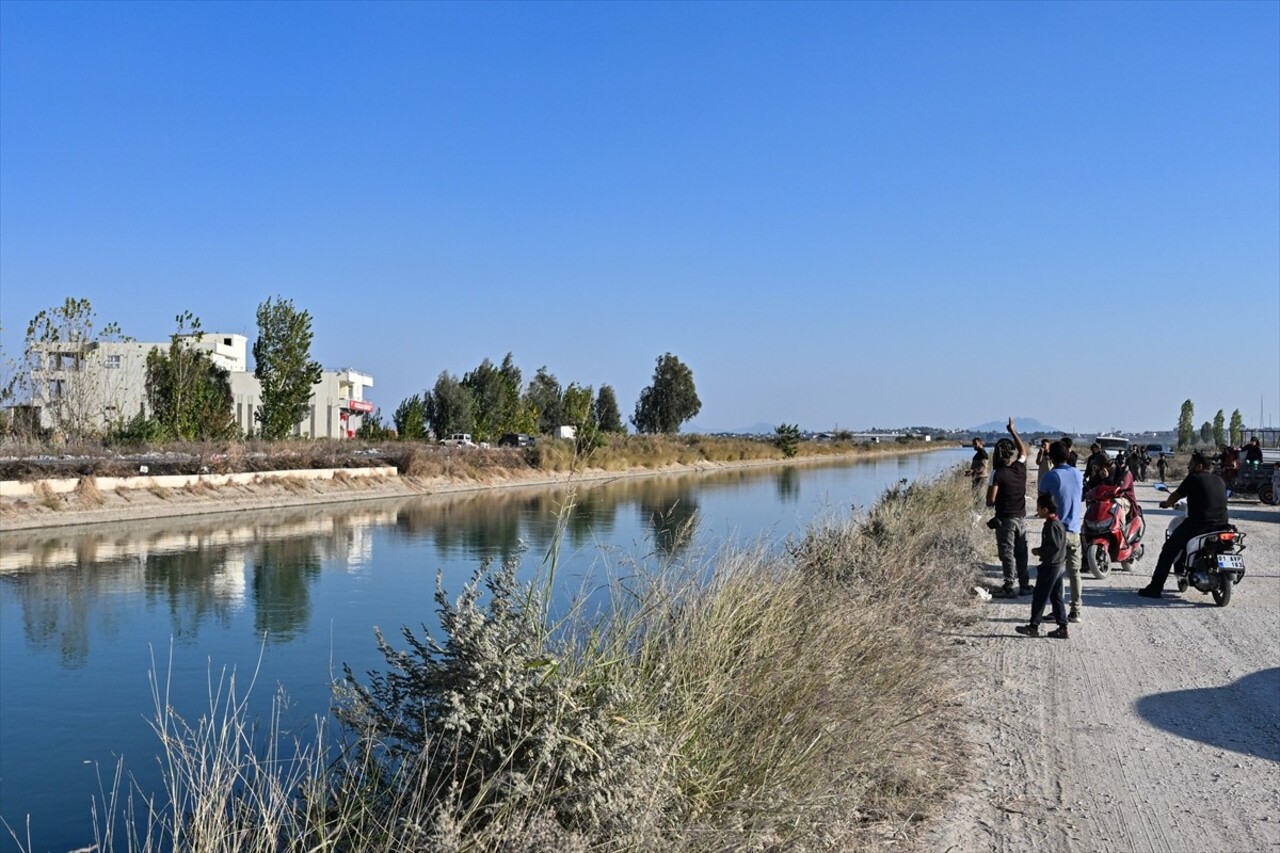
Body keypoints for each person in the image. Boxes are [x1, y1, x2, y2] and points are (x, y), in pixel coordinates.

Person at [1139, 451, 1229, 599]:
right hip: (1222, 525)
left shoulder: (1194, 478)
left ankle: (1155, 588)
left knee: (1168, 549)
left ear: (1199, 466)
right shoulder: (1219, 480)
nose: (1188, 466)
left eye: (1191, 464)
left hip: (1198, 525)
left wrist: (1167, 503)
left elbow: (1176, 495)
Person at [1038, 440, 1085, 622]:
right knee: (1075, 573)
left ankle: (1058, 611)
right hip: (1075, 529)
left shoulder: (1051, 476)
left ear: (1051, 457)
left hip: (1058, 531)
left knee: (1055, 573)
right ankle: (1076, 610)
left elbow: (1043, 501)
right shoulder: (1077, 474)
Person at [1014, 492, 1070, 639]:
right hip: (1059, 565)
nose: (1037, 511)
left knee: (1040, 596)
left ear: (1045, 509)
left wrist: (1039, 551)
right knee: (1056, 597)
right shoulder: (1058, 523)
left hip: (1051, 566)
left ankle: (1033, 626)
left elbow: (1054, 547)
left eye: (1038, 508)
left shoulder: (1051, 525)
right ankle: (1062, 628)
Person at [987, 417, 1031, 597]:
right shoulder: (1019, 468)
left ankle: (1009, 586)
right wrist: (1013, 431)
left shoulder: (997, 473)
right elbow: (1023, 452)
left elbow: (990, 500)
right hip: (1021, 518)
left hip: (1005, 519)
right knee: (1021, 553)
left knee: (1007, 553)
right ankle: (1025, 585)